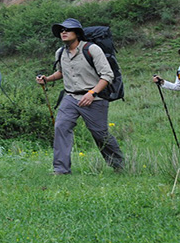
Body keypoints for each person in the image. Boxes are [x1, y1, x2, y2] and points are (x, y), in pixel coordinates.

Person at [37, 18, 124, 175]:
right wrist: (47, 79)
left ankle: (119, 165)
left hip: (94, 98)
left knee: (100, 134)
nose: (63, 32)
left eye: (67, 30)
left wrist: (92, 93)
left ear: (77, 33)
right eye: (61, 30)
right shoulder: (60, 52)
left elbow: (107, 75)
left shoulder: (92, 49)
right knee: (61, 127)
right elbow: (61, 73)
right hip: (70, 97)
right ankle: (61, 170)